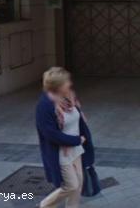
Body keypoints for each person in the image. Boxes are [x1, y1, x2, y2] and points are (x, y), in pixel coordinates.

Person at [36, 67, 95, 208]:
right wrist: (76, 140)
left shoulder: (68, 97)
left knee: (79, 183)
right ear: (57, 86)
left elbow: (77, 117)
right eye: (66, 82)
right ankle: (45, 205)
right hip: (61, 151)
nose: (69, 83)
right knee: (71, 185)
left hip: (75, 150)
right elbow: (50, 134)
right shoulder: (45, 105)